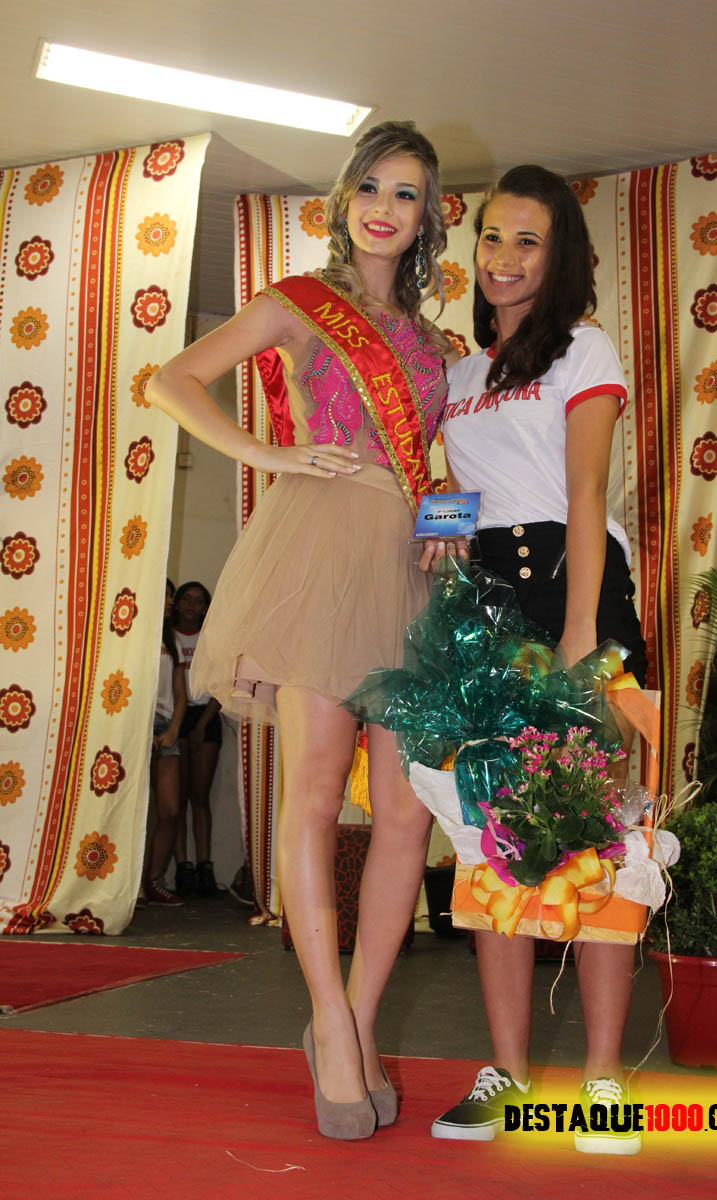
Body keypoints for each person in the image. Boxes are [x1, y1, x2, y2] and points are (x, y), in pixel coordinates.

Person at [147, 121, 454, 1140]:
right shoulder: (296, 303)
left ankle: (352, 1025)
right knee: (316, 797)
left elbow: (442, 464)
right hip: (319, 553)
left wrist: (449, 523)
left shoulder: (435, 345)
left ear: (427, 217)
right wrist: (266, 455)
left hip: (406, 572)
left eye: (406, 193)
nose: (384, 207)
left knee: (404, 815)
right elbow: (171, 380)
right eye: (371, 186)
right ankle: (325, 1014)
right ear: (342, 197)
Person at [424, 165, 648, 1154]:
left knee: (601, 839)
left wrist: (580, 638)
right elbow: (457, 496)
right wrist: (431, 539)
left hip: (576, 597)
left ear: (559, 258)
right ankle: (508, 1076)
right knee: (490, 844)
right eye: (492, 238)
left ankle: (600, 1080)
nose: (505, 259)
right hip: (485, 610)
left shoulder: (583, 348)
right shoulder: (458, 378)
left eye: (528, 241)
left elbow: (584, 493)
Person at [171, 580, 222, 899]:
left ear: (206, 608)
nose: (191, 605)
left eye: (198, 601)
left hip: (206, 715)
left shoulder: (210, 640)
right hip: (175, 716)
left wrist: (202, 725)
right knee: (176, 799)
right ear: (177, 603)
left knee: (199, 797)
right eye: (186, 599)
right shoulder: (167, 636)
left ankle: (205, 866)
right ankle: (182, 867)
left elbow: (220, 685)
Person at [139, 578, 188, 906]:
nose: (170, 601)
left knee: (169, 811)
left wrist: (172, 729)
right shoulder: (132, 634)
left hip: (166, 727)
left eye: (171, 595)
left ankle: (154, 880)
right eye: (166, 594)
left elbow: (180, 694)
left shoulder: (171, 640)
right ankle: (132, 886)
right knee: (133, 809)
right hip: (136, 727)